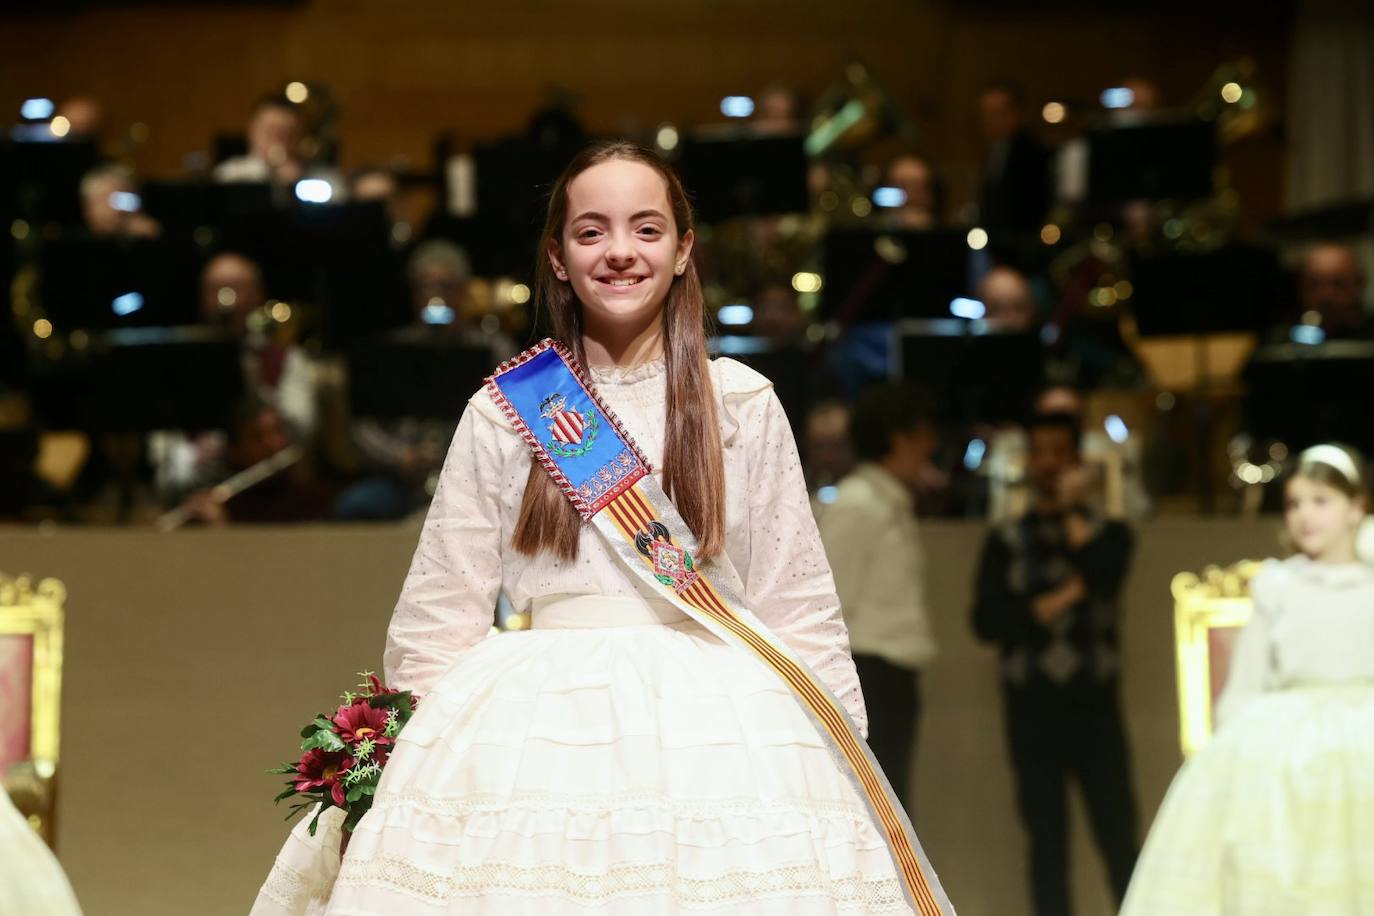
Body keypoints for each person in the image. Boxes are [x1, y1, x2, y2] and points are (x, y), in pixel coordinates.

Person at [252, 141, 949, 914]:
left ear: (685, 250)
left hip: (721, 734)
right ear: (557, 257)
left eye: (647, 230)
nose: (620, 251)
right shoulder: (510, 408)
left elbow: (798, 599)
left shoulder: (741, 403)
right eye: (592, 232)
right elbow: (441, 608)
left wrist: (840, 754)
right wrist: (394, 764)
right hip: (530, 734)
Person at [1121, 444, 1374, 915]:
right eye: (1295, 503)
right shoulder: (1279, 584)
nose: (1305, 516)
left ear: (1356, 508)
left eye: (1321, 501)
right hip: (1292, 736)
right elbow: (1245, 684)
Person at [971, 411, 1138, 916]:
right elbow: (985, 621)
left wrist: (1071, 514)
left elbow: (1105, 577)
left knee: (1119, 839)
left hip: (1096, 708)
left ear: (1077, 462)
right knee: (1047, 845)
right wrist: (1058, 600)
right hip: (1031, 712)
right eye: (1038, 453)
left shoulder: (1112, 534)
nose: (1046, 465)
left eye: (1058, 454)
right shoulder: (1005, 538)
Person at [815, 383, 939, 813]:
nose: (931, 446)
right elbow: (828, 604)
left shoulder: (886, 501)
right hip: (870, 677)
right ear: (898, 438)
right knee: (876, 809)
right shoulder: (859, 503)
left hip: (892, 677)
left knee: (892, 805)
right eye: (923, 434)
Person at [977, 80, 1051, 234]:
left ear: (1016, 114)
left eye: (996, 113)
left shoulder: (1030, 152)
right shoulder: (995, 150)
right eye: (985, 114)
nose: (988, 121)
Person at [78, 163, 162, 239]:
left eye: (121, 200)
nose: (115, 210)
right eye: (104, 199)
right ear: (88, 206)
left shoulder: (144, 236)